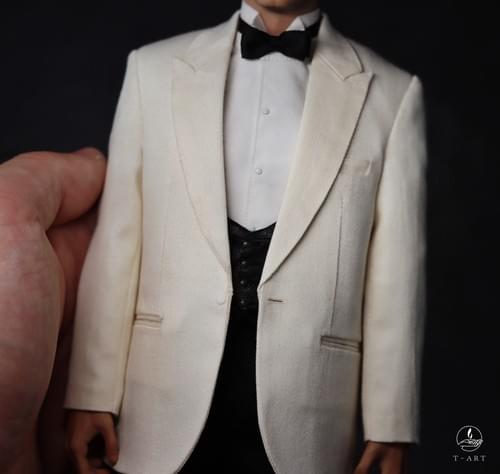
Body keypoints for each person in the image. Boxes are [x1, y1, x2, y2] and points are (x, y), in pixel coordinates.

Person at [0, 0, 426, 472]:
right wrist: (91, 393)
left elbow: (396, 274)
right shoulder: (152, 69)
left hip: (309, 403)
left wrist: (390, 422)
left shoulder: (393, 92)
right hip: (159, 396)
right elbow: (119, 242)